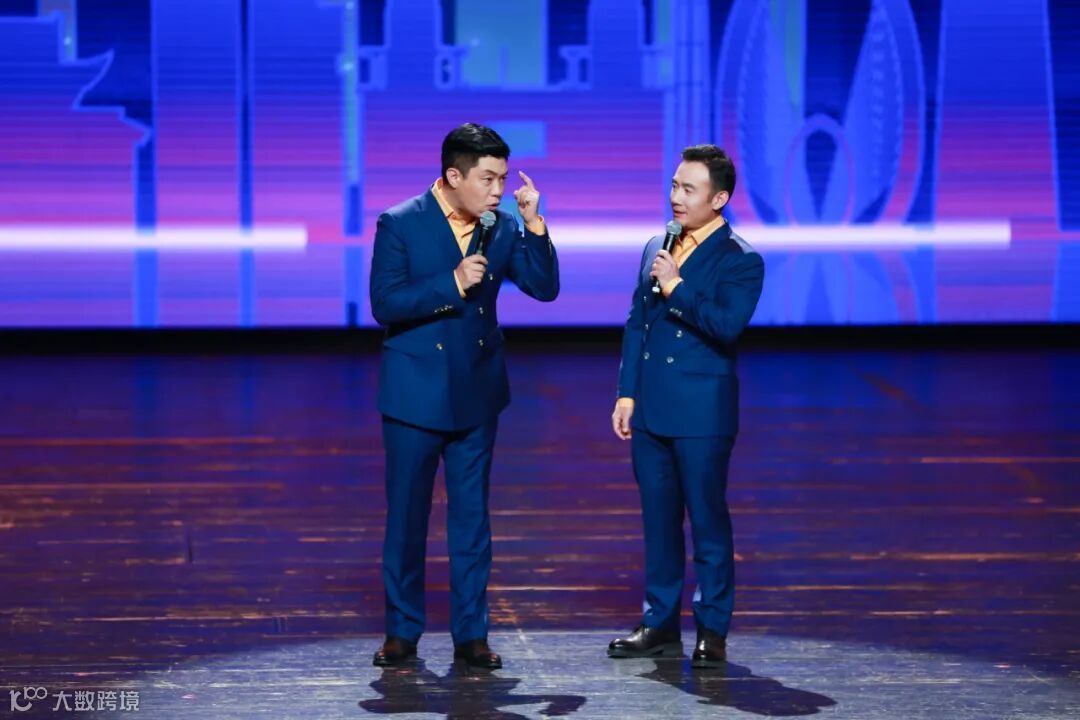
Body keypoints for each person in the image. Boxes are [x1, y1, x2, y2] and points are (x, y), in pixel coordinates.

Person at [369, 123, 559, 669]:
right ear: (454, 176)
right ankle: (402, 630)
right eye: (488, 179)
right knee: (407, 519)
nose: (499, 190)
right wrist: (450, 283)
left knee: (472, 521)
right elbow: (385, 303)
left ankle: (471, 634)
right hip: (414, 395)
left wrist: (534, 224)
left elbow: (544, 287)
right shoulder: (400, 222)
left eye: (503, 178)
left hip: (477, 392)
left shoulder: (502, 226)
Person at [608, 144, 764, 668]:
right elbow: (637, 322)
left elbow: (726, 325)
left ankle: (712, 628)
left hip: (701, 413)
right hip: (652, 409)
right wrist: (627, 392)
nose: (676, 196)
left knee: (707, 521)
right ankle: (659, 622)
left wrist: (675, 285)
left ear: (718, 199)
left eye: (689, 189)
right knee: (658, 522)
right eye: (675, 185)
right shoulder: (658, 243)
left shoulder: (741, 259)